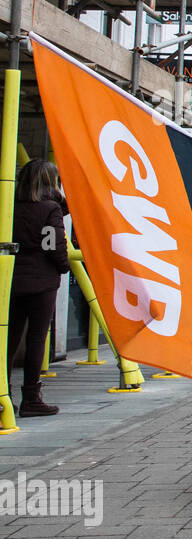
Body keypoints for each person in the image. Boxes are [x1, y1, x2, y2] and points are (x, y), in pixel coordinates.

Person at [8, 158, 69, 417]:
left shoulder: (10, 204)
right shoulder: (49, 208)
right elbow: (53, 244)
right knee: (36, 339)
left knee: (8, 339)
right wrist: (64, 265)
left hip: (12, 278)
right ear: (50, 181)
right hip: (42, 280)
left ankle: (4, 394)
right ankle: (31, 398)